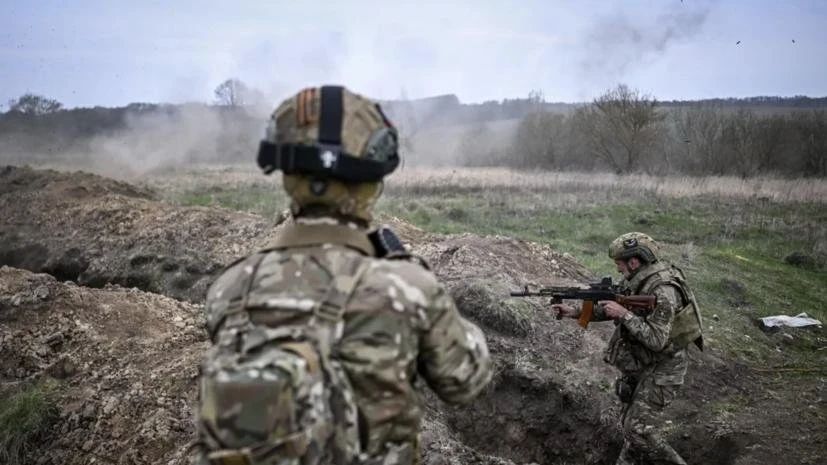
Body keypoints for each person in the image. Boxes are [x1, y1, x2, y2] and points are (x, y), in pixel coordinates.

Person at [193, 85, 492, 465]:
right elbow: (466, 379)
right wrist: (426, 289)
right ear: (370, 182)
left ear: (287, 176)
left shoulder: (231, 288)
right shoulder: (405, 288)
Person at [552, 232, 702, 465]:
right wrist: (576, 312)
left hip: (665, 367)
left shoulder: (663, 290)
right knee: (627, 422)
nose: (617, 267)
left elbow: (657, 339)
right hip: (643, 360)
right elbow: (613, 305)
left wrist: (624, 315)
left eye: (619, 263)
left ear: (634, 261)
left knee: (637, 429)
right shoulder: (636, 279)